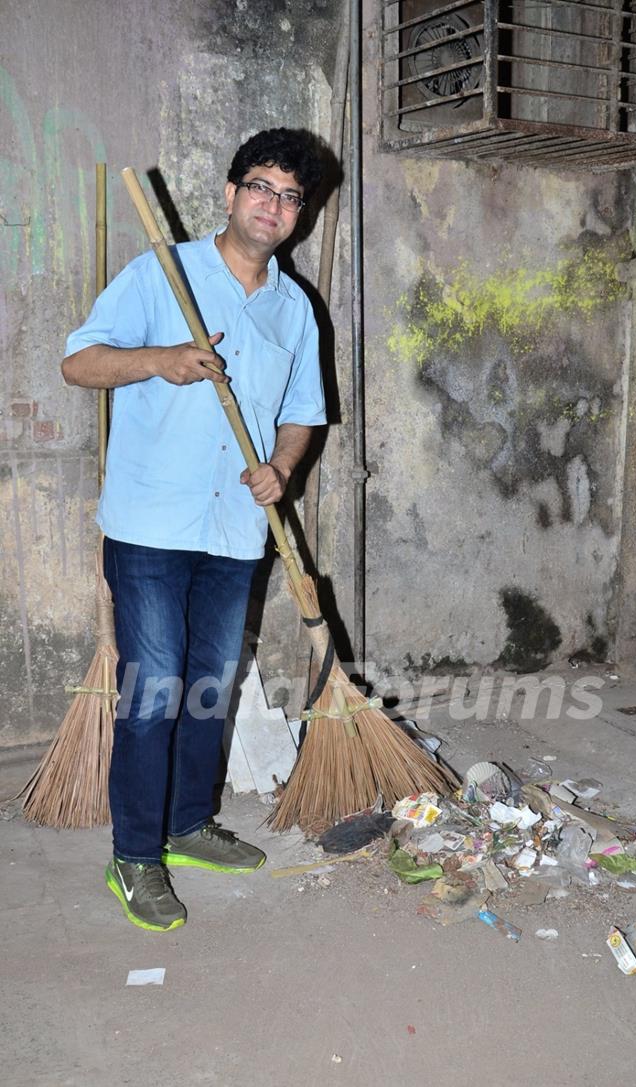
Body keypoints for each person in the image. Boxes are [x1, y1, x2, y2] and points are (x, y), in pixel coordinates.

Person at [63, 129, 327, 932]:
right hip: (150, 518)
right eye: (261, 187)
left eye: (289, 196)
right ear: (229, 192)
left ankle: (184, 826)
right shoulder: (163, 271)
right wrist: (161, 359)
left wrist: (280, 470)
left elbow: (302, 416)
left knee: (209, 688)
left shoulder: (294, 308)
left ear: (299, 213)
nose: (273, 205)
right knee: (154, 692)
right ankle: (135, 855)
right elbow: (79, 361)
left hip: (234, 526)